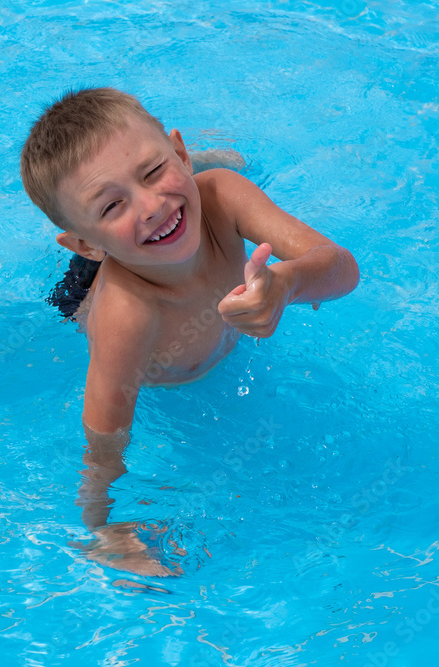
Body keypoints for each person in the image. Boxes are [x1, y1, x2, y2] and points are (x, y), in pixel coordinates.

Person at [20, 88, 359, 576]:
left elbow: (342, 268)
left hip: (146, 236)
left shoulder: (221, 195)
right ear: (86, 242)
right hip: (93, 290)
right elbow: (103, 438)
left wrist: (286, 284)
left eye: (154, 171)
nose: (152, 205)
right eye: (113, 205)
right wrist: (102, 527)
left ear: (177, 152)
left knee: (198, 184)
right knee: (87, 287)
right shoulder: (127, 318)